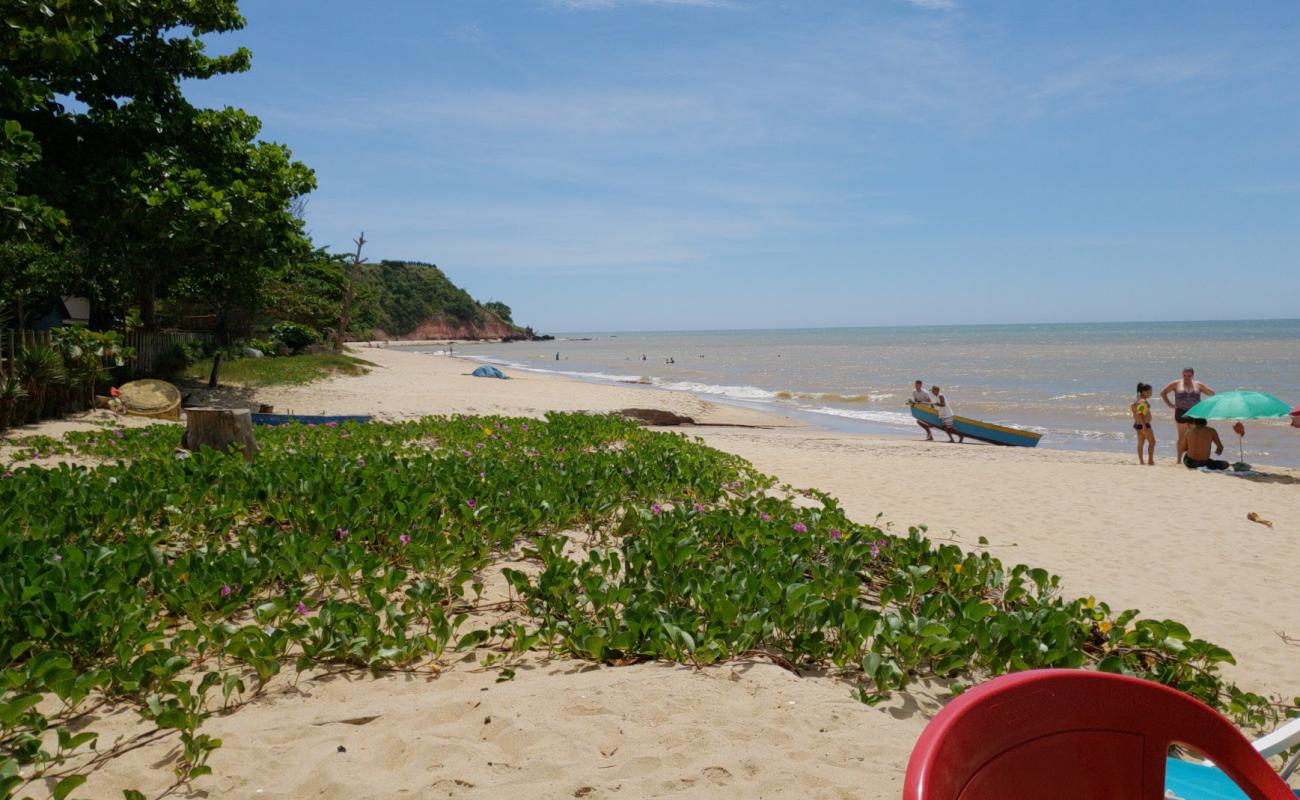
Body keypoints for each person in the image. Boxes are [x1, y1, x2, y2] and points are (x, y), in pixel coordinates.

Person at [1160, 367, 1215, 464]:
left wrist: (1206, 405)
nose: (1186, 378)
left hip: (1195, 413)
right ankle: (1178, 460)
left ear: (1192, 376)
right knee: (1181, 437)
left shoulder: (1198, 385)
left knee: (1195, 437)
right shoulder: (1176, 384)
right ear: (1182, 375)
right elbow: (1163, 393)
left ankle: (1193, 458)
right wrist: (1169, 404)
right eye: (1184, 375)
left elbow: (1212, 394)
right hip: (1181, 412)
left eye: (1189, 376)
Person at [1130, 382, 1156, 465]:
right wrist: (1144, 426)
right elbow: (1140, 413)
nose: (1151, 393)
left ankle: (1141, 461)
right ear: (1143, 392)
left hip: (1138, 425)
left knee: (1141, 442)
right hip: (1144, 425)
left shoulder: (1137, 399)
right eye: (1149, 392)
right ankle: (1150, 460)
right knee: (1152, 442)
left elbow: (1135, 410)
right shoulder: (1142, 401)